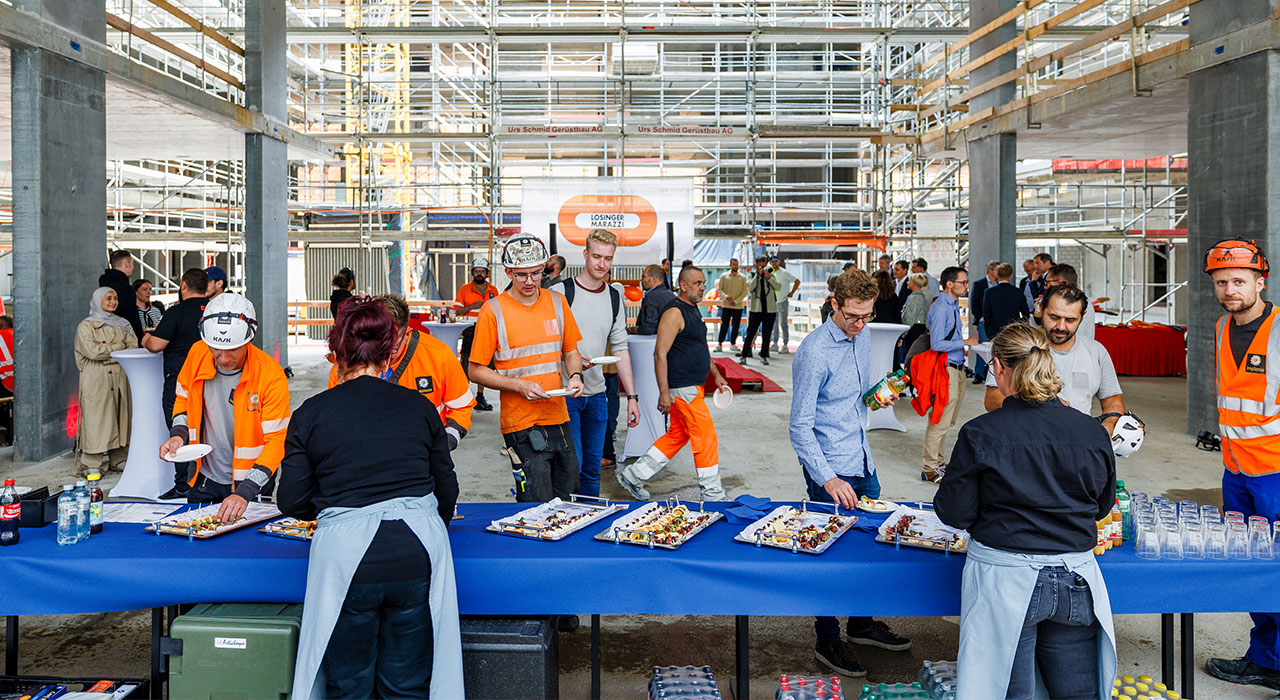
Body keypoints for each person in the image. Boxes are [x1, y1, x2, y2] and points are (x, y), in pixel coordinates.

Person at [280, 297, 463, 700]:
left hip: (347, 555)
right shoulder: (420, 407)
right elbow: (446, 487)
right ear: (388, 352)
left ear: (337, 354)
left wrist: (333, 506)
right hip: (416, 549)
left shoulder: (312, 413)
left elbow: (290, 501)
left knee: (349, 684)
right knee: (408, 684)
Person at [935, 322, 1117, 700]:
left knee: (1008, 692)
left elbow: (954, 513)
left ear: (1000, 367)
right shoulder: (1091, 431)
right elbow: (1102, 505)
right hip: (1075, 579)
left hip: (1005, 579)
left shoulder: (981, 433)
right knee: (1077, 693)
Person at [791, 269, 912, 678]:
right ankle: (827, 639)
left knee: (869, 550)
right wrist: (827, 478)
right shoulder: (814, 351)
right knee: (829, 556)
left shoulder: (860, 338)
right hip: (831, 471)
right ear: (834, 306)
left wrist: (880, 394)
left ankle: (860, 625)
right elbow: (800, 426)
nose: (861, 326)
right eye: (853, 317)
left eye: (867, 316)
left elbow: (853, 399)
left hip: (863, 461)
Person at [1200, 239, 1280, 690]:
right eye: (1222, 282)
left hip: (1276, 475)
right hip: (1238, 473)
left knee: (1278, 569)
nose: (1230, 289)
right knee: (1254, 568)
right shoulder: (1221, 327)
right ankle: (1266, 659)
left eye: (1239, 281)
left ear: (1259, 281)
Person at [468, 235, 586, 502]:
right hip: (520, 422)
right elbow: (475, 370)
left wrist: (576, 375)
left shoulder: (557, 302)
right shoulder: (493, 311)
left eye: (536, 273)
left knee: (569, 491)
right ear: (508, 272)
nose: (530, 282)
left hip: (558, 415)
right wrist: (520, 386)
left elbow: (571, 351)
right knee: (536, 497)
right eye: (521, 275)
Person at [160, 292, 291, 520]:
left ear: (249, 340)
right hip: (204, 478)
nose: (223, 358)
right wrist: (178, 434)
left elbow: (277, 442)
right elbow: (183, 398)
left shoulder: (270, 375)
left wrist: (246, 491)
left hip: (252, 485)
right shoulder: (197, 353)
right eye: (216, 349)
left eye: (233, 351)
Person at [617, 266, 729, 501]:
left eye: (703, 283)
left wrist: (716, 374)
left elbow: (699, 346)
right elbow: (659, 354)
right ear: (683, 285)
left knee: (678, 435)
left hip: (692, 384)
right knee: (705, 435)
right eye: (697, 283)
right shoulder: (674, 313)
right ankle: (712, 492)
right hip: (683, 387)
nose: (702, 287)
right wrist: (664, 393)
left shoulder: (693, 309)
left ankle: (634, 475)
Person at [551, 230, 641, 497]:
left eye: (608, 258)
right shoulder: (561, 292)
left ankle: (588, 519)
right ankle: (567, 521)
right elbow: (546, 345)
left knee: (592, 469)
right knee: (572, 467)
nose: (602, 264)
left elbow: (621, 347)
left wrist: (632, 398)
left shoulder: (614, 296)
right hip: (566, 394)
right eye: (596, 256)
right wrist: (573, 360)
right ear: (585, 255)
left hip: (598, 395)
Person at [326, 294, 475, 450]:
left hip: (421, 454)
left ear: (407, 333)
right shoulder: (348, 365)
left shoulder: (439, 355)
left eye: (392, 348)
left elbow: (462, 407)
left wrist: (447, 442)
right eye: (379, 345)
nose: (384, 357)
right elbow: (336, 414)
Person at [984, 285, 1125, 428]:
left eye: (1070, 320)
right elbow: (992, 399)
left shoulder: (1096, 351)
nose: (1061, 326)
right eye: (1054, 317)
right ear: (1041, 309)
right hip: (1027, 439)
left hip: (1078, 441)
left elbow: (1112, 400)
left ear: (1082, 316)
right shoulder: (1017, 345)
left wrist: (1109, 424)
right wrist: (1047, 406)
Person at [142, 268, 209, 499]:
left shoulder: (176, 312)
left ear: (183, 285)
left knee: (180, 430)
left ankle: (183, 485)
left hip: (180, 382)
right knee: (208, 431)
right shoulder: (214, 310)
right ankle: (204, 481)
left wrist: (146, 338)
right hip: (211, 381)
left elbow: (156, 345)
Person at [922, 266, 979, 483]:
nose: (966, 286)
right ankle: (929, 467)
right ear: (949, 284)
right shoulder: (941, 308)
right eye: (963, 282)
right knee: (940, 418)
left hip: (956, 366)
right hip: (945, 367)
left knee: (948, 418)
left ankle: (938, 461)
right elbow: (937, 343)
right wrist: (965, 342)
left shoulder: (952, 305)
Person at [74, 288, 137, 476]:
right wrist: (118, 349)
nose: (113, 301)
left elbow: (133, 348)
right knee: (96, 418)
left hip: (119, 377)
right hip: (96, 378)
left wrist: (105, 350)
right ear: (98, 299)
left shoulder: (122, 323)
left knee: (119, 416)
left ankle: (118, 459)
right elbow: (92, 352)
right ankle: (91, 463)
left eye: (115, 298)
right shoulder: (85, 326)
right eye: (108, 298)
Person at [455, 256, 499, 412]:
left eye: (482, 271)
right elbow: (457, 311)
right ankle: (464, 396)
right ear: (472, 273)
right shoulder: (464, 289)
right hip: (469, 330)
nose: (479, 273)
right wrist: (472, 306)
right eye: (476, 271)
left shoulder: (493, 290)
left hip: (487, 329)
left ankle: (480, 396)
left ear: (487, 273)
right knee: (466, 362)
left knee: (484, 363)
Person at [740, 255, 781, 366]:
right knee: (751, 333)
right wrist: (757, 276)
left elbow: (778, 287)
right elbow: (750, 288)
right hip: (756, 309)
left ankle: (764, 356)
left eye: (764, 263)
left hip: (770, 310)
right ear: (757, 264)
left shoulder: (771, 274)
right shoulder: (752, 275)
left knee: (767, 334)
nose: (762, 266)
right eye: (760, 264)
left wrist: (769, 278)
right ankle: (744, 355)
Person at [1036, 263, 1096, 340]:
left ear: (1060, 283)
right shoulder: (1084, 304)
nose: (1045, 286)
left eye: (1048, 282)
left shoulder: (1078, 305)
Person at [99, 250, 144, 340]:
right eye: (132, 264)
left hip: (105, 337)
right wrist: (140, 339)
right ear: (126, 263)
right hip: (124, 340)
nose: (133, 268)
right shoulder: (125, 288)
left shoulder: (102, 286)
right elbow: (131, 317)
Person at [968, 262, 999, 383]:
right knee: (982, 347)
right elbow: (974, 303)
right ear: (990, 271)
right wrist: (981, 317)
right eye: (997, 270)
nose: (998, 273)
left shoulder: (999, 284)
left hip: (997, 321)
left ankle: (993, 373)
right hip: (983, 322)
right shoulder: (979, 284)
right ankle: (979, 374)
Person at [982, 262, 1029, 338]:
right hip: (1013, 331)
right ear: (1011, 276)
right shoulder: (1018, 292)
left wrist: (988, 331)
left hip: (994, 331)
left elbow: (986, 315)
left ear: (998, 275)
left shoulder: (989, 292)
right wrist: (1019, 327)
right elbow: (1026, 314)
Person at [715, 258, 748, 352]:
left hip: (738, 306)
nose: (735, 266)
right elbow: (720, 290)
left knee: (736, 325)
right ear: (730, 265)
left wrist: (736, 301)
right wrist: (726, 297)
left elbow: (745, 291)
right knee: (724, 325)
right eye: (733, 264)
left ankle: (733, 343)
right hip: (726, 305)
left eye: (737, 264)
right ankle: (719, 344)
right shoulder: (724, 276)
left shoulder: (742, 277)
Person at [770, 256, 801, 354]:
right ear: (770, 263)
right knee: (774, 323)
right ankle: (775, 343)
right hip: (773, 302)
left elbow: (797, 281)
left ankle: (785, 344)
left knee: (783, 323)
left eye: (776, 262)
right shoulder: (770, 273)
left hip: (782, 300)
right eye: (772, 262)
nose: (774, 263)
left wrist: (792, 292)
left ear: (778, 262)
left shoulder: (784, 273)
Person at [636, 264, 677, 335]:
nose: (641, 280)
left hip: (653, 342)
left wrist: (634, 330)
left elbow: (649, 328)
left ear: (654, 279)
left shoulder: (652, 297)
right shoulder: (671, 294)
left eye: (644, 276)